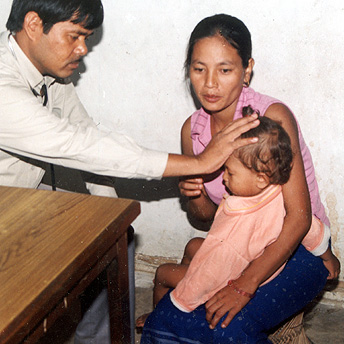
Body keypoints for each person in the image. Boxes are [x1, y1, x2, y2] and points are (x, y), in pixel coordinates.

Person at [0, 2, 260, 344]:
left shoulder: (50, 75)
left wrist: (112, 225)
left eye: (87, 38)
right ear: (33, 24)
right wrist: (199, 162)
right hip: (10, 219)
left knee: (119, 238)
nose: (83, 50)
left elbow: (88, 139)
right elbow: (83, 148)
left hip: (22, 207)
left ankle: (100, 340)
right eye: (75, 37)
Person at [141, 14, 340, 343]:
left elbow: (299, 219)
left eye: (225, 70)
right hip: (242, 245)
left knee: (229, 327)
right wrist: (194, 195)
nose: (209, 84)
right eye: (198, 68)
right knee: (167, 320)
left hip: (301, 249)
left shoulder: (270, 120)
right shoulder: (193, 131)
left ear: (247, 69)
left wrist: (244, 286)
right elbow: (206, 217)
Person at [136, 111, 337, 326]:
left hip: (221, 276)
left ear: (260, 178)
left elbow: (210, 272)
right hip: (248, 259)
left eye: (230, 173)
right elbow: (312, 229)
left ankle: (158, 315)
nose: (224, 178)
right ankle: (182, 285)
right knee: (194, 245)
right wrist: (328, 258)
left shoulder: (233, 230)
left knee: (163, 273)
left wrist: (183, 297)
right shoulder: (277, 196)